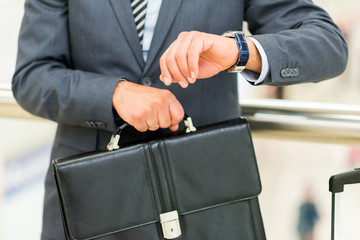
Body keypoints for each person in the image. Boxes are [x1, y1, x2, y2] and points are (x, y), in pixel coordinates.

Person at [12, 0, 347, 239]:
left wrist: (238, 51)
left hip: (206, 201)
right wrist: (114, 95)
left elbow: (327, 44)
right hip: (91, 203)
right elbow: (32, 76)